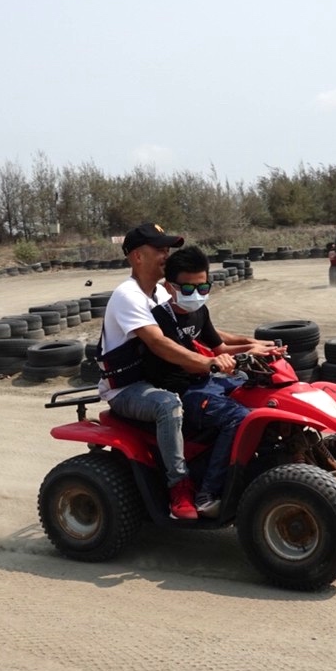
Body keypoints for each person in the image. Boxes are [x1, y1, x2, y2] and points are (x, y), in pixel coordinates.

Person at [147, 245, 278, 516]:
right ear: (169, 287)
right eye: (187, 289)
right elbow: (191, 358)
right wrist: (215, 363)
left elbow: (220, 350)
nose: (195, 295)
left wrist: (256, 349)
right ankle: (207, 494)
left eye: (203, 288)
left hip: (207, 381)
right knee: (239, 418)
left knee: (262, 392)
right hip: (179, 393)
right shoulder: (156, 320)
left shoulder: (200, 311)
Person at [98, 222, 210, 519]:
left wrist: (249, 345)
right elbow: (158, 343)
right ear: (137, 257)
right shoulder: (128, 296)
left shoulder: (160, 293)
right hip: (128, 389)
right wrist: (205, 362)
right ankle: (179, 488)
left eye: (167, 249)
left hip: (156, 379)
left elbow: (193, 330)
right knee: (167, 404)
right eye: (159, 250)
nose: (166, 255)